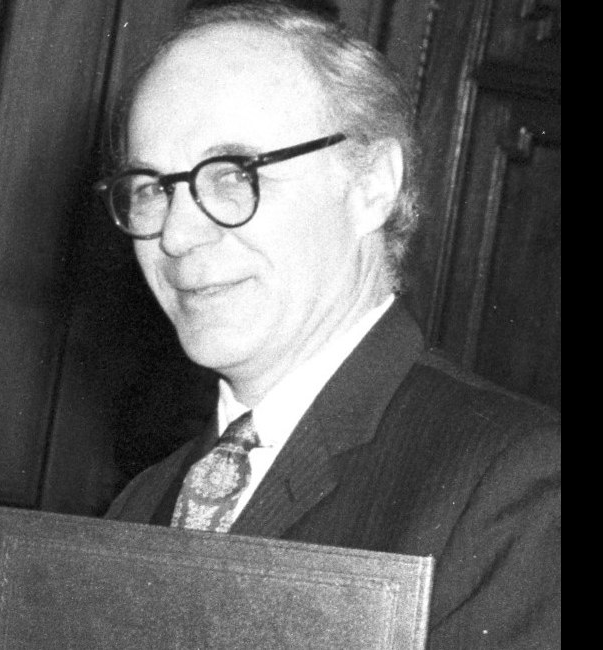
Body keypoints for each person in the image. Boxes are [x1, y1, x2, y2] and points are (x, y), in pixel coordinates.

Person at [100, 2, 561, 648]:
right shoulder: (141, 504)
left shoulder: (513, 486)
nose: (175, 235)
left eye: (233, 175)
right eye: (151, 188)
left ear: (372, 184)